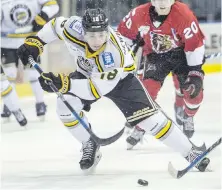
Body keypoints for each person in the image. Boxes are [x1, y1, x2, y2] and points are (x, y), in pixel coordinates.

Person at [17, 8, 209, 172]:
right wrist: (36, 42)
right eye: (92, 35)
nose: (97, 40)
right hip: (87, 74)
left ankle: (190, 151)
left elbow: (94, 90)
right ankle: (89, 143)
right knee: (64, 106)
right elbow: (54, 25)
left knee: (150, 120)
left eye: (101, 34)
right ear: (83, 31)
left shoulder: (113, 54)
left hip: (121, 81)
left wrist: (63, 83)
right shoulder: (73, 28)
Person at [117, 0, 206, 148]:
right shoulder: (139, 14)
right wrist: (121, 58)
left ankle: (188, 115)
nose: (162, 2)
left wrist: (195, 72)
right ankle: (141, 126)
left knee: (193, 93)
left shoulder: (183, 14)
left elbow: (195, 44)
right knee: (146, 92)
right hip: (155, 55)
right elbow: (121, 37)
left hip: (181, 55)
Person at [1, 0, 59, 121]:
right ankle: (9, 105)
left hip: (30, 41)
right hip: (7, 42)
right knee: (9, 75)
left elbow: (53, 5)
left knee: (34, 74)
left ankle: (40, 104)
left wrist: (43, 16)